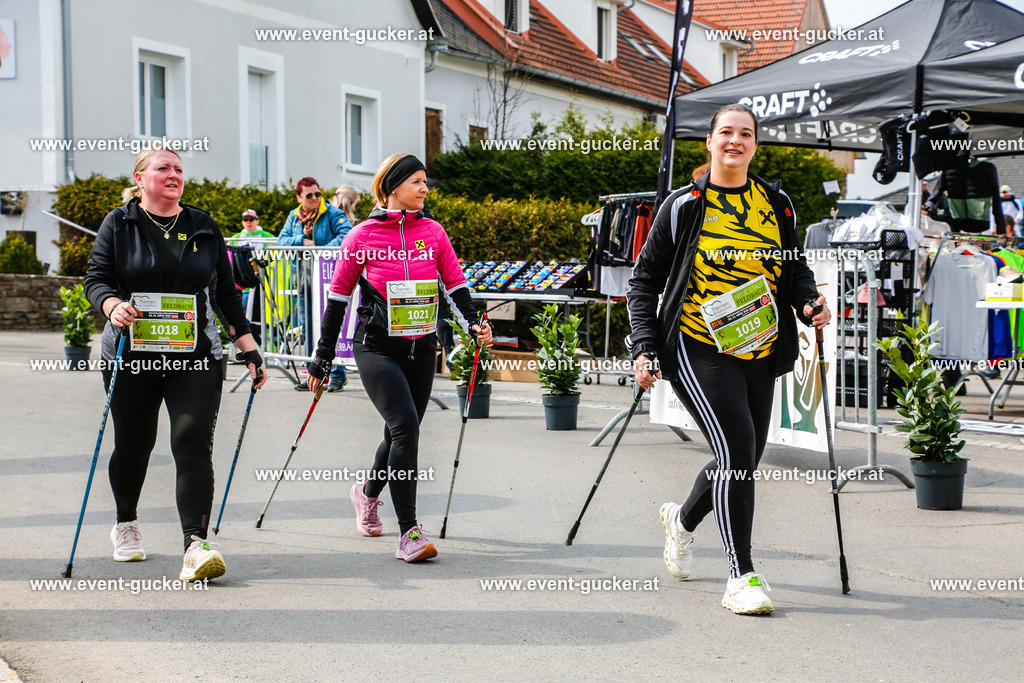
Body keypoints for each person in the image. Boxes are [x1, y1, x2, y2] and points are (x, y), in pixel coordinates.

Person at [626, 103, 831, 615]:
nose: (735, 141)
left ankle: (681, 520)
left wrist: (809, 303)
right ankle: (741, 576)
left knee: (739, 458)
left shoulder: (776, 203)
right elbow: (643, 282)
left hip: (759, 348)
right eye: (726, 132)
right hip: (698, 348)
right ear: (710, 142)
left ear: (755, 144)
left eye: (745, 134)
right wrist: (644, 345)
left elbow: (794, 269)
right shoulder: (683, 205)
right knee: (738, 451)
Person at [85, 148, 267, 582]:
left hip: (195, 356)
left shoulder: (202, 225)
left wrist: (249, 347)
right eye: (163, 168)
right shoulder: (119, 222)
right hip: (131, 355)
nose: (174, 175)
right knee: (135, 443)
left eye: (179, 169)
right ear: (140, 177)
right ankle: (126, 524)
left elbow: (225, 293)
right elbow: (96, 278)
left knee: (191, 442)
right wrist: (112, 306)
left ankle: (195, 545)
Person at [307, 153, 492, 563]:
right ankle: (408, 532)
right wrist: (321, 360)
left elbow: (456, 288)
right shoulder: (361, 236)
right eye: (417, 182)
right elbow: (337, 302)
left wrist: (476, 323)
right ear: (393, 187)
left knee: (397, 433)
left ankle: (366, 495)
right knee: (406, 426)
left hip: (421, 348)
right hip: (376, 348)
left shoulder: (434, 232)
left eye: (426, 182)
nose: (425, 189)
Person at [279, 177, 353, 391]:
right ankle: (315, 373)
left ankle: (338, 374)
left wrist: (320, 250)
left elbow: (347, 235)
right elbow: (281, 241)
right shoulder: (293, 217)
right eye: (309, 195)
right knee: (309, 330)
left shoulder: (332, 213)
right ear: (299, 197)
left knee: (329, 329)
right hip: (303, 279)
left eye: (317, 194)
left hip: (327, 280)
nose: (314, 198)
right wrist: (301, 242)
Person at [230, 209, 276, 344]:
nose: (248, 222)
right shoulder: (235, 238)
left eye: (251, 219)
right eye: (245, 220)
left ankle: (270, 347)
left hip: (262, 283)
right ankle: (256, 344)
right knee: (242, 318)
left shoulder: (266, 236)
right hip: (241, 284)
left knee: (264, 318)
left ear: (257, 221)